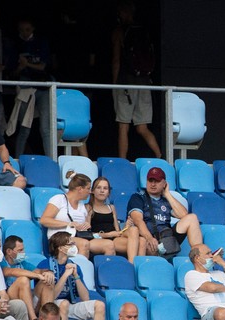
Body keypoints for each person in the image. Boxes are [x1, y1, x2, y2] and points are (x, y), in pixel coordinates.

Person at [111, 0, 162, 160]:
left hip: (126, 83)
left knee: (123, 125)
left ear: (123, 13)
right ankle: (161, 157)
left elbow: (116, 59)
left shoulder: (120, 31)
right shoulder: (144, 31)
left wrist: (113, 83)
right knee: (142, 127)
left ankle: (122, 162)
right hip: (145, 82)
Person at [128, 167, 203, 259]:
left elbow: (184, 215)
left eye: (157, 181)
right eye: (150, 180)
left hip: (167, 240)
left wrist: (167, 194)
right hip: (148, 239)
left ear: (164, 183)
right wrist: (149, 238)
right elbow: (138, 220)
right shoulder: (138, 197)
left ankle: (199, 255)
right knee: (144, 242)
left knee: (192, 218)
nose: (153, 184)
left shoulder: (166, 200)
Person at [6, 17, 53, 157]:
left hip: (43, 86)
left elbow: (43, 66)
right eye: (21, 30)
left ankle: (51, 160)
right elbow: (12, 71)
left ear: (33, 29)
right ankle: (18, 158)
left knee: (45, 128)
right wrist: (21, 67)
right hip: (25, 85)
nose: (24, 33)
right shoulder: (16, 44)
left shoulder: (41, 42)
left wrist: (27, 64)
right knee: (24, 126)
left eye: (27, 29)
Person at [36, 232, 106, 320]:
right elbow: (51, 297)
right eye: (71, 244)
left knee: (99, 305)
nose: (74, 246)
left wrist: (76, 276)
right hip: (51, 305)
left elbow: (85, 298)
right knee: (64, 304)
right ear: (60, 248)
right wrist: (65, 275)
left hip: (70, 305)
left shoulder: (74, 266)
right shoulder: (45, 264)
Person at [40, 174, 116, 259]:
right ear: (80, 189)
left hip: (78, 236)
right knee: (84, 244)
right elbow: (44, 220)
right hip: (59, 237)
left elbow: (85, 225)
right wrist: (68, 224)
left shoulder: (81, 205)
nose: (90, 192)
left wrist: (87, 225)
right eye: (88, 188)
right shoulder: (59, 199)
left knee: (109, 245)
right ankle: (79, 271)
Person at [86, 176, 146, 263]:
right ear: (92, 191)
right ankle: (132, 266)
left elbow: (117, 230)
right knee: (140, 242)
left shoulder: (111, 207)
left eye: (105, 188)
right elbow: (88, 234)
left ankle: (136, 267)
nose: (102, 191)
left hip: (115, 238)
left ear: (108, 192)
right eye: (98, 188)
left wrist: (126, 226)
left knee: (137, 233)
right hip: (101, 239)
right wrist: (108, 235)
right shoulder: (89, 208)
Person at [1, 234, 53, 320]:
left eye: (23, 249)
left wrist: (48, 272)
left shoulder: (23, 263)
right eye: (20, 250)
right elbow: (9, 272)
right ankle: (33, 319)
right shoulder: (1, 262)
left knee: (46, 281)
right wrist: (36, 275)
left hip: (25, 300)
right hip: (9, 301)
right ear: (9, 251)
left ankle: (48, 319)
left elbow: (38, 271)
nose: (23, 252)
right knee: (23, 280)